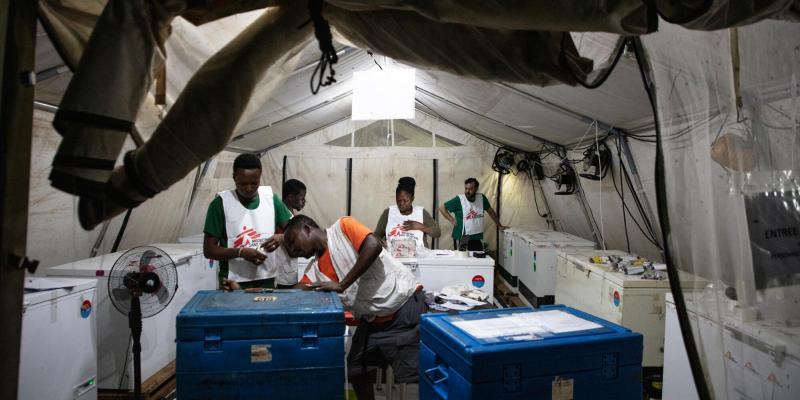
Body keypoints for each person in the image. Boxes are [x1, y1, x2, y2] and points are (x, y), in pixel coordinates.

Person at [283, 215, 425, 400]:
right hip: (373, 320)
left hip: (402, 307)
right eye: (289, 248)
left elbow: (374, 244)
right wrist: (258, 295)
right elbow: (295, 293)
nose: (293, 250)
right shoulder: (314, 271)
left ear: (308, 228)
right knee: (357, 369)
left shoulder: (343, 227)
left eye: (293, 242)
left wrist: (342, 285)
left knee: (414, 377)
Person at [202, 153, 293, 290]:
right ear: (234, 178)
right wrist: (240, 252)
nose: (249, 188)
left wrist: (282, 237)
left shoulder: (271, 199)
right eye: (242, 183)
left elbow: (296, 231)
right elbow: (209, 250)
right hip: (233, 282)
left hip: (266, 279)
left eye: (254, 183)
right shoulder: (220, 204)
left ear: (260, 177)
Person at [439, 177, 508, 249]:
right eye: (466, 188)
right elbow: (442, 208)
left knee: (478, 256)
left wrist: (499, 225)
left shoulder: (481, 198)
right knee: (464, 257)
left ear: (476, 189)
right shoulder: (459, 199)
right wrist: (451, 220)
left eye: (470, 189)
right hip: (463, 235)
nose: (467, 191)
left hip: (476, 235)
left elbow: (490, 211)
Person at [375, 177, 440, 251]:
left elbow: (437, 232)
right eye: (398, 200)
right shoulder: (389, 212)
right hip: (393, 257)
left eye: (405, 200)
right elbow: (376, 235)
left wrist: (421, 227)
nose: (401, 203)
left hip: (418, 257)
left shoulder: (421, 212)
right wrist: (382, 242)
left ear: (412, 199)